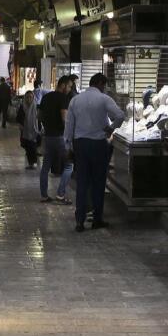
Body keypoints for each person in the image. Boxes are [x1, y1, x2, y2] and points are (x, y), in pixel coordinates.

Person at [64, 73, 123, 232]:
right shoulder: (104, 99)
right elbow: (120, 115)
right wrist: (111, 128)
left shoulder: (75, 100)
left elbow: (69, 124)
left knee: (82, 183)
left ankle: (79, 221)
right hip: (98, 145)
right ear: (99, 83)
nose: (104, 89)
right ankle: (97, 219)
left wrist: (68, 146)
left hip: (81, 145)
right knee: (98, 183)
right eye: (104, 85)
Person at [38, 76, 74, 203]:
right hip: (59, 137)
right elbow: (64, 119)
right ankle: (60, 194)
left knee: (46, 166)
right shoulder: (63, 98)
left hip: (48, 136)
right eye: (69, 86)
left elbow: (39, 115)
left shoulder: (46, 97)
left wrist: (47, 125)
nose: (70, 89)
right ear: (63, 85)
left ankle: (43, 195)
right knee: (69, 165)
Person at [15, 90, 40, 169]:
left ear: (33, 98)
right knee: (27, 147)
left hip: (34, 130)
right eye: (27, 97)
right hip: (25, 130)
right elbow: (19, 117)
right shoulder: (22, 107)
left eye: (30, 97)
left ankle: (34, 162)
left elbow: (40, 118)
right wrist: (20, 125)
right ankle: (31, 163)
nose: (29, 99)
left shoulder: (36, 107)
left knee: (33, 146)